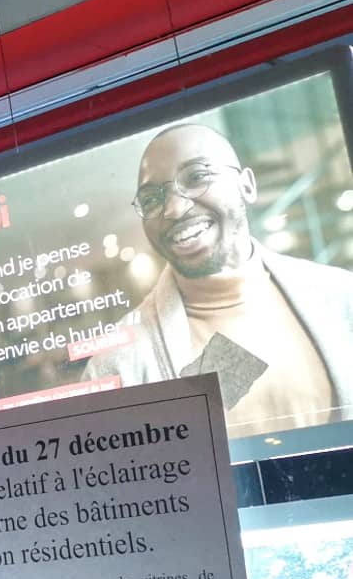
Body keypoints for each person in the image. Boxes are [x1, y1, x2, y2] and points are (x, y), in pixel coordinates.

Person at [83, 123, 353, 437]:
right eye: (152, 199)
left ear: (247, 185)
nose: (174, 209)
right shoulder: (117, 364)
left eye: (196, 177)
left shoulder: (340, 294)